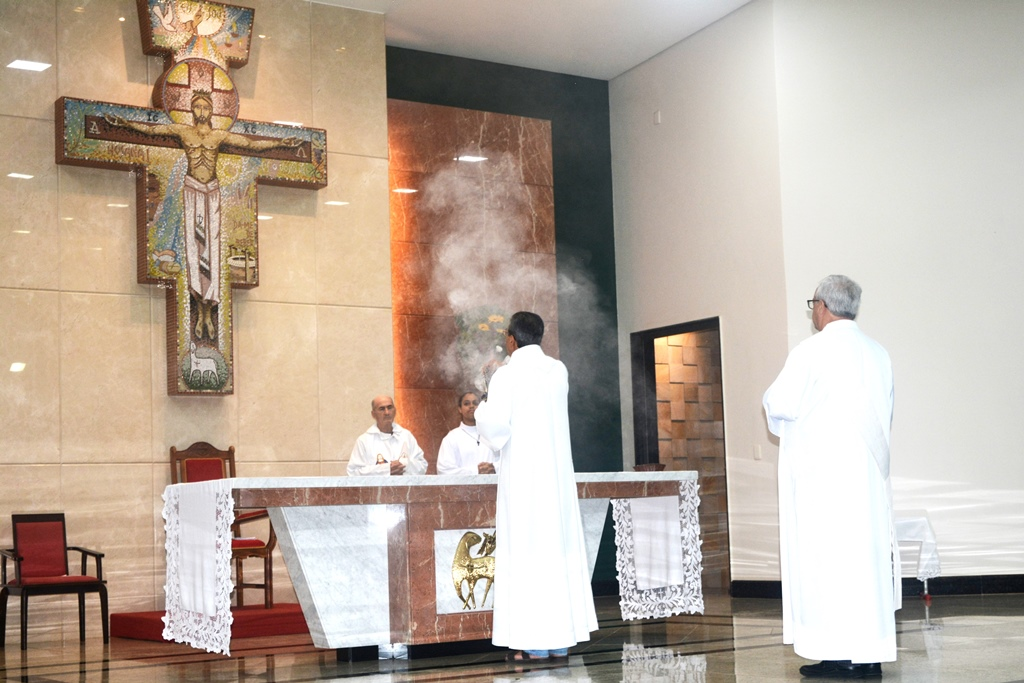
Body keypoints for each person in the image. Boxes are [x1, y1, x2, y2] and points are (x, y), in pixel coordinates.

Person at [763, 275, 898, 679]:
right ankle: (866, 655)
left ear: (821, 306)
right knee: (864, 565)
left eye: (813, 306)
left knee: (828, 564)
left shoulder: (812, 351)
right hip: (867, 482)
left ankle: (840, 654)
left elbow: (781, 403)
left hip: (824, 481)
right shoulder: (878, 353)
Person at [105, 91, 301, 340]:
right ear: (191, 110)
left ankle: (209, 312)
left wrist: (281, 143)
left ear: (211, 111)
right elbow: (152, 131)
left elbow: (251, 145)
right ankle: (200, 310)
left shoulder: (219, 136)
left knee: (212, 250)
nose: (201, 112)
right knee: (194, 249)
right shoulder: (183, 132)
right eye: (197, 107)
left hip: (212, 193)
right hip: (192, 191)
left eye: (205, 107)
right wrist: (125, 123)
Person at [475, 311, 597, 663]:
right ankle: (560, 641)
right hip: (555, 480)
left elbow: (495, 429)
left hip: (525, 481)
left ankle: (534, 643)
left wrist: (486, 395)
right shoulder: (558, 370)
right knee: (555, 553)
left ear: (511, 340)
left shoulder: (507, 375)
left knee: (527, 553)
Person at [347, 395, 428, 477]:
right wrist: (385, 469)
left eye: (390, 408)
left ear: (395, 411)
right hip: (377, 486)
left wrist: (404, 465)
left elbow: (422, 466)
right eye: (382, 409)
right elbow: (353, 472)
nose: (387, 412)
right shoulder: (364, 441)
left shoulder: (406, 436)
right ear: (373, 414)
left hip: (405, 485)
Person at [436, 391, 499, 475]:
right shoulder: (451, 438)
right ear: (460, 409)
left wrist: (494, 467)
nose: (471, 406)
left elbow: (508, 460)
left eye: (475, 403)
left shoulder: (493, 433)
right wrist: (476, 471)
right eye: (466, 403)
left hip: (493, 483)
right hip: (463, 484)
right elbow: (444, 470)